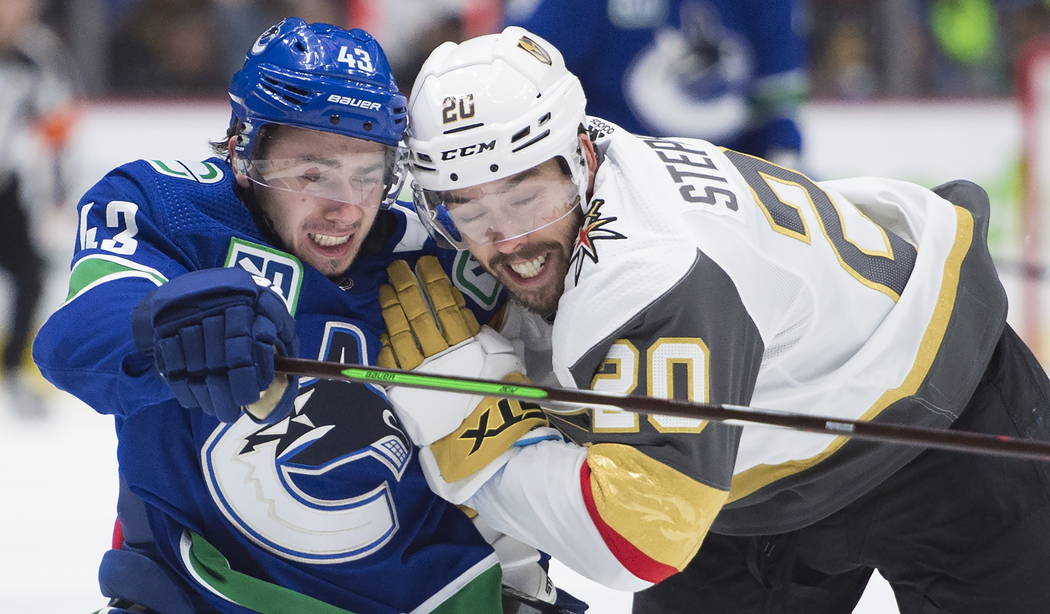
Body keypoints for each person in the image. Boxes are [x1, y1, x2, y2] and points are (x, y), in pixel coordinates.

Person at [376, 26, 1050, 613]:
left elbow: (634, 541)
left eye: (525, 198)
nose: (508, 241)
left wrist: (479, 440)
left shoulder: (650, 272)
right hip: (755, 466)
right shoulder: (564, 164)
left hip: (951, 425)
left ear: (579, 159)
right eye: (469, 213)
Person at [33, 18, 584, 614]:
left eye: (368, 176)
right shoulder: (170, 211)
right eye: (311, 174)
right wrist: (164, 323)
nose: (345, 208)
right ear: (244, 150)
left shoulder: (437, 256)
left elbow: (549, 411)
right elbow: (75, 343)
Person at [503, 0, 806, 165]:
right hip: (614, 181)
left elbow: (776, 104)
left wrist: (784, 166)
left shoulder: (769, 6)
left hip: (732, 180)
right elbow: (522, 74)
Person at [0, 0, 77, 417]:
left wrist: (57, 189)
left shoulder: (37, 51)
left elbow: (57, 121)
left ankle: (13, 370)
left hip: (6, 187)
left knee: (29, 276)